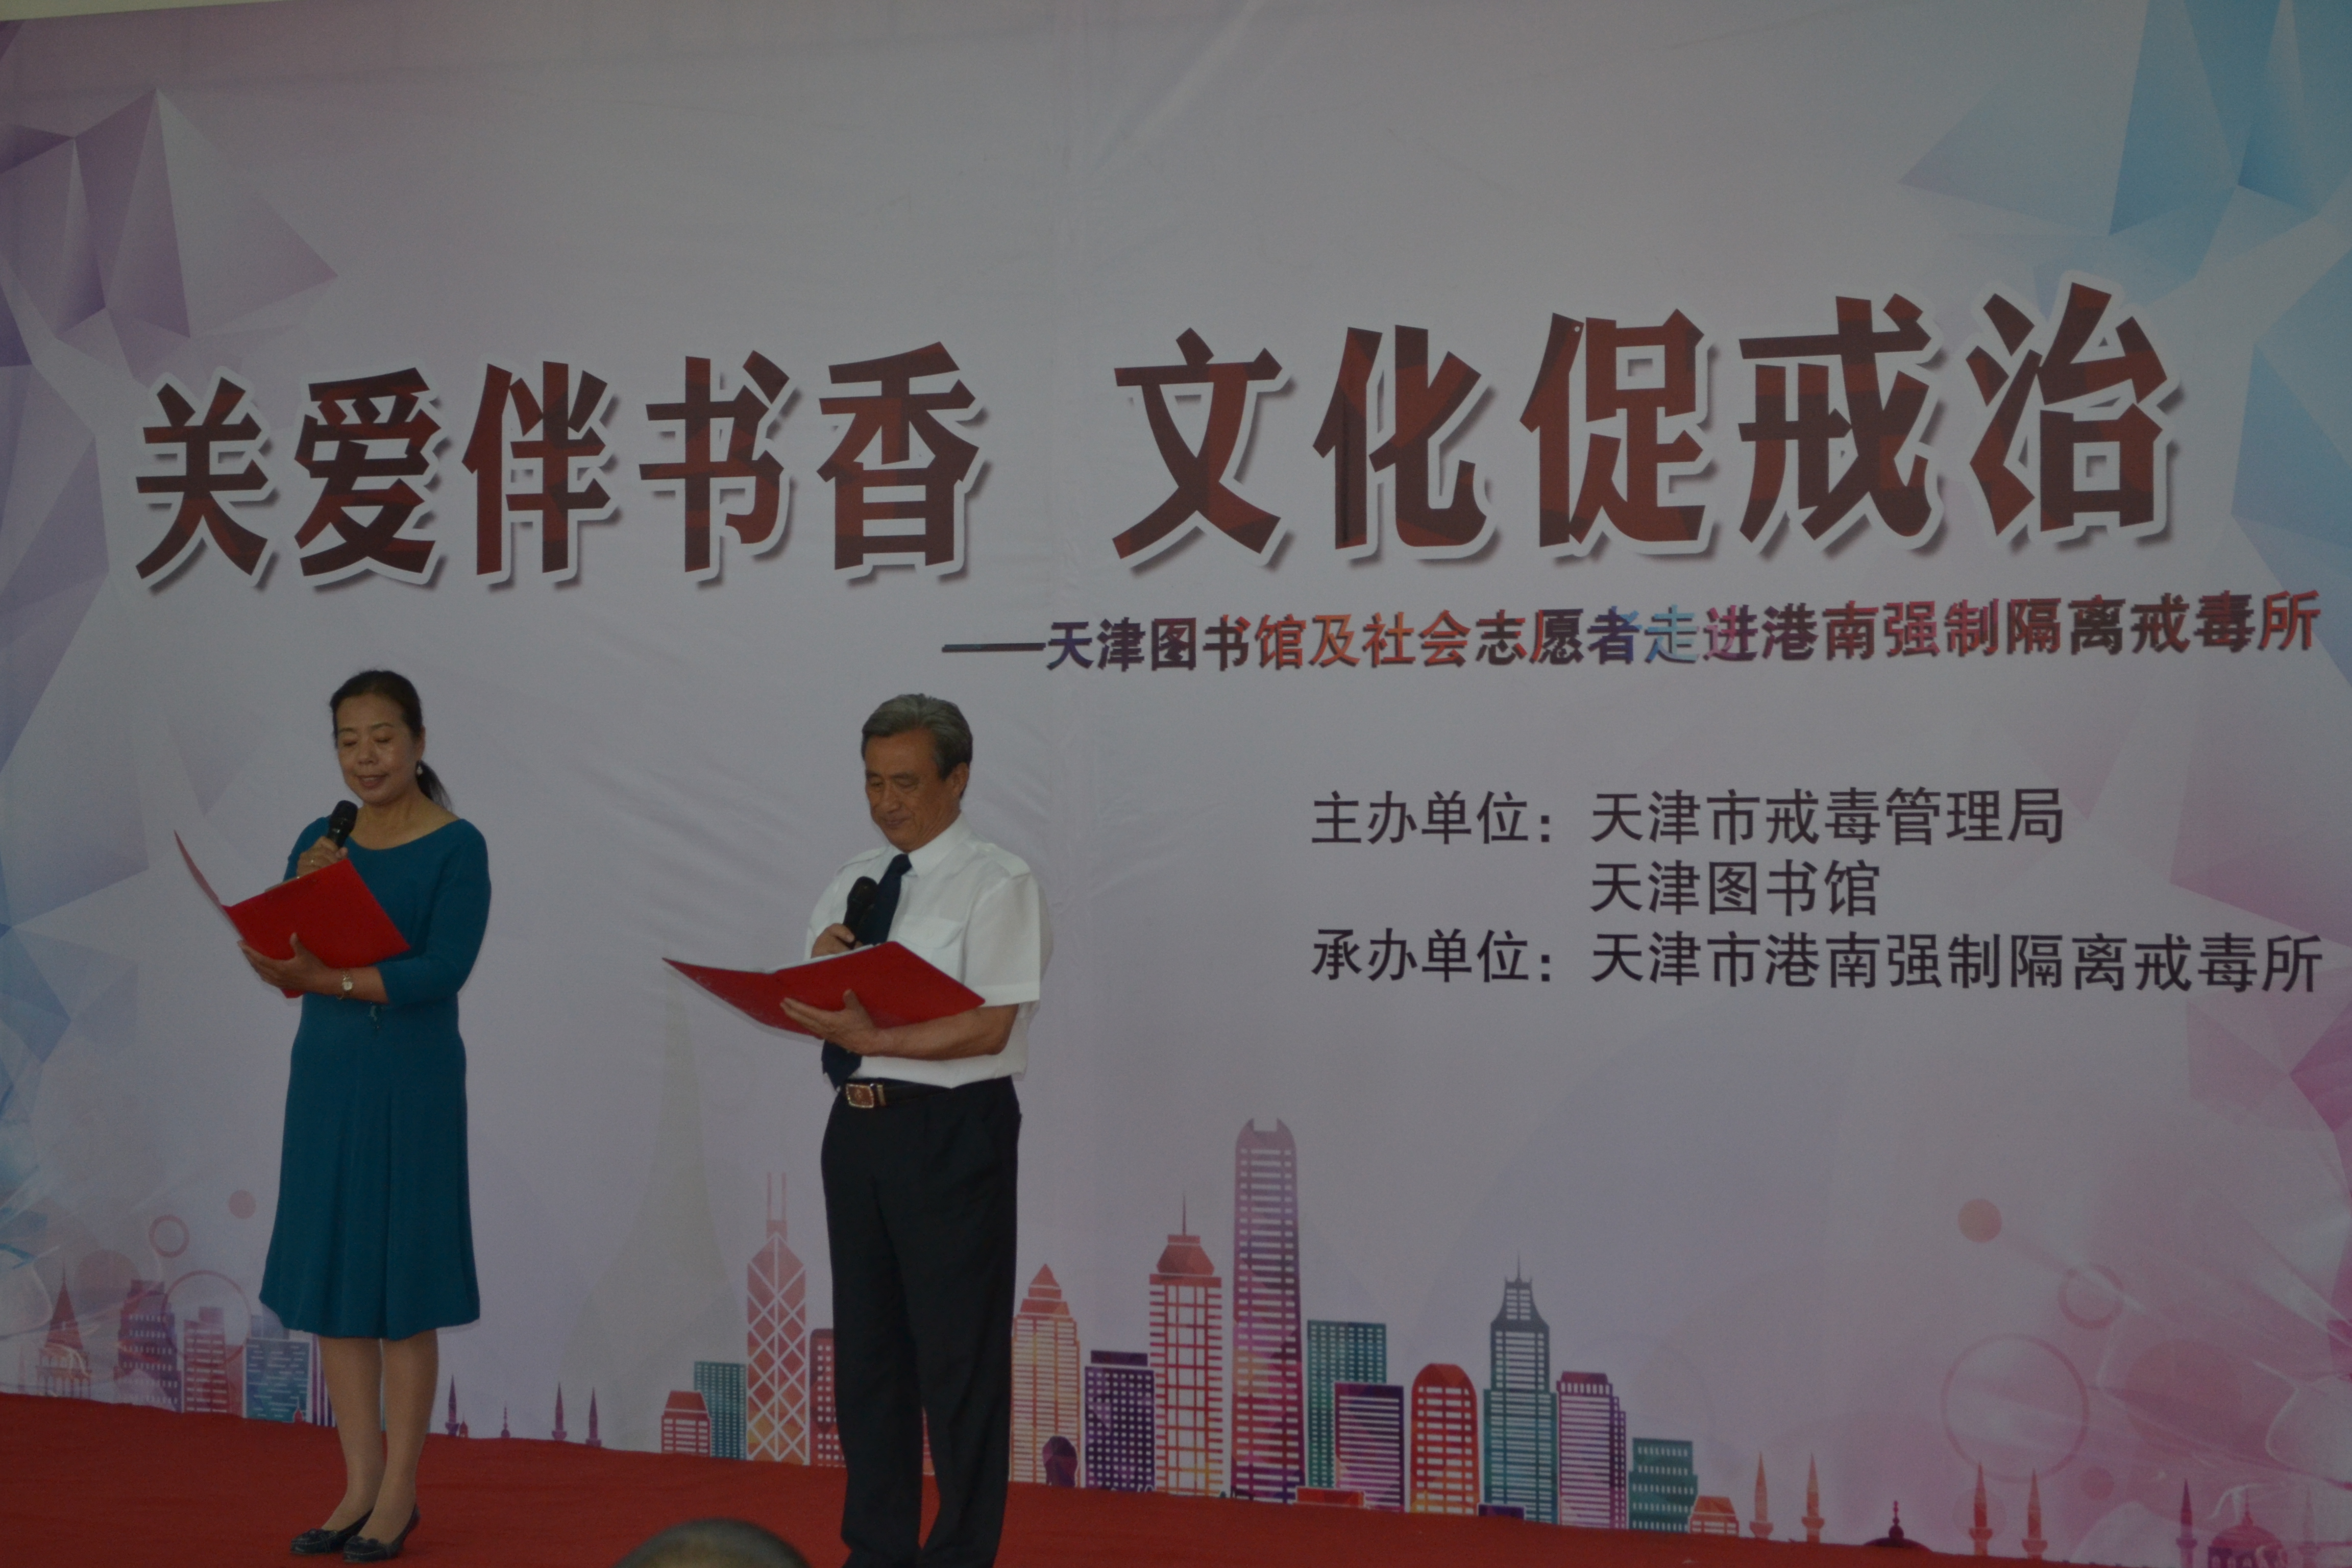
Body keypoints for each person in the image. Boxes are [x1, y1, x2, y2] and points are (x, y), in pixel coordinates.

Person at [776, 695, 1048, 1568]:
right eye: (872, 783)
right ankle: (877, 1552)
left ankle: (961, 1554)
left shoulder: (998, 881)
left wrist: (880, 1038)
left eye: (905, 783)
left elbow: (991, 1026)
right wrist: (816, 979)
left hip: (952, 1130)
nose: (886, 802)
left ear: (957, 779)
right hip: (857, 1131)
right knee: (869, 1360)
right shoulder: (857, 881)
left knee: (958, 1362)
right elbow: (819, 1005)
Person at [241, 670, 490, 1564]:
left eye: (383, 738)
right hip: (326, 1077)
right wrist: (287, 934)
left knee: (402, 1292)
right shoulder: (323, 838)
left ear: (418, 742)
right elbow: (282, 957)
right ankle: (355, 1485)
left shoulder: (458, 846)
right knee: (337, 1288)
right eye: (349, 741)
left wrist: (330, 977)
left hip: (411, 1083)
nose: (366, 757)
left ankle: (399, 1494)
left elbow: (443, 970)